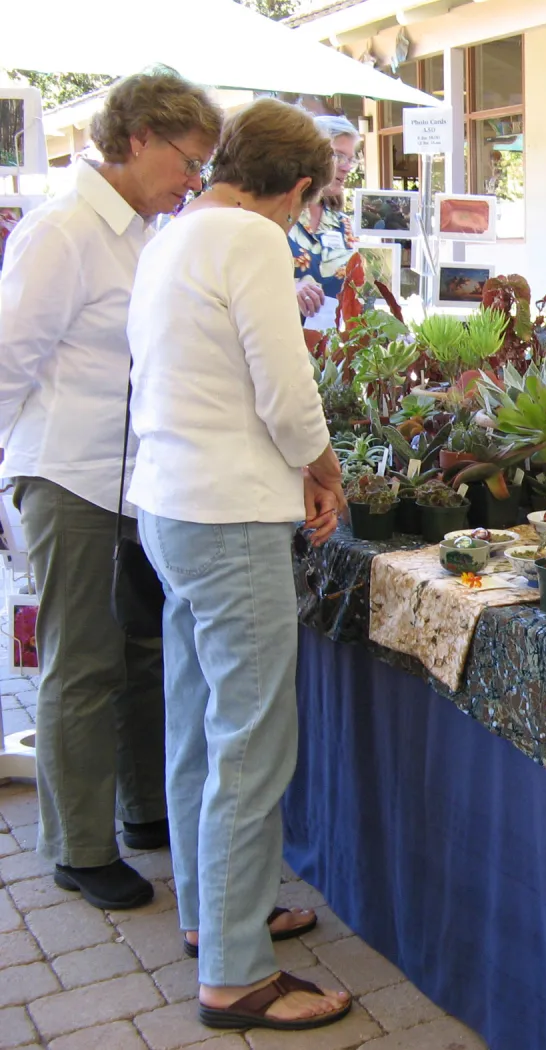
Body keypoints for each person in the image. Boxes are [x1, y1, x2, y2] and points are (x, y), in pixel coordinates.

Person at [126, 98, 350, 1032]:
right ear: (298, 187)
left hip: (169, 508)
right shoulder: (254, 242)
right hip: (228, 519)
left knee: (197, 727)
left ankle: (211, 913)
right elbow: (285, 388)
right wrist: (327, 469)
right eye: (309, 204)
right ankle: (233, 973)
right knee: (252, 742)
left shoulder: (173, 234)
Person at [0, 69, 222, 911]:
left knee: (137, 656)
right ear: (138, 141)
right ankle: (78, 847)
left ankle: (140, 813)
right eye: (188, 158)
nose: (194, 178)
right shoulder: (61, 230)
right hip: (70, 475)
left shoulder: (139, 229)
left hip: (135, 483)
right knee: (82, 663)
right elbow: (6, 361)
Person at [289, 113, 360, 328]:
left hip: (332, 353)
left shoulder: (342, 223)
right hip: (281, 344)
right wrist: (288, 289)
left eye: (351, 159)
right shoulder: (276, 214)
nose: (347, 167)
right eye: (338, 156)